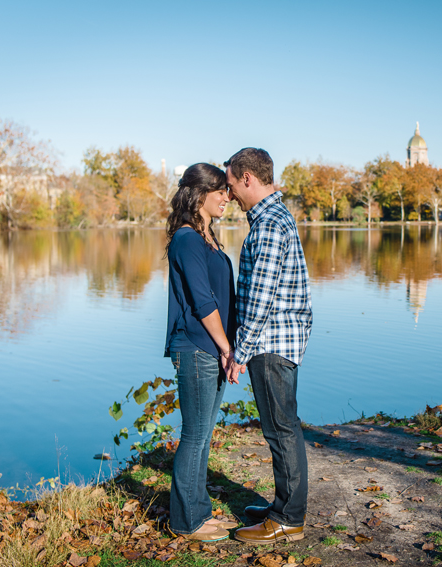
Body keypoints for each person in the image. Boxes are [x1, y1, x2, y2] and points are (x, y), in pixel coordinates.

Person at [223, 148, 313, 544]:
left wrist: (238, 354)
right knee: (282, 427)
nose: (230, 196)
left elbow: (260, 300)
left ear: (247, 178)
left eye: (230, 185)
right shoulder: (273, 218)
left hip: (272, 342)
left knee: (281, 429)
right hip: (275, 339)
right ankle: (282, 507)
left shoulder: (270, 224)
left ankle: (288, 518)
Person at [164, 163, 239, 542]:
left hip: (213, 348)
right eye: (221, 190)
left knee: (204, 434)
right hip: (196, 347)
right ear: (200, 193)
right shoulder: (188, 239)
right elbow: (203, 301)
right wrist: (227, 348)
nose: (228, 197)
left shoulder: (206, 237)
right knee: (194, 435)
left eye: (228, 190)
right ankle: (186, 521)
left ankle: (199, 511)